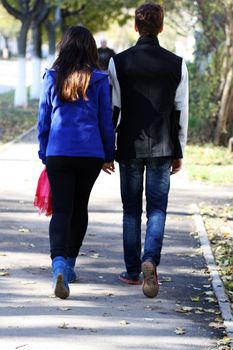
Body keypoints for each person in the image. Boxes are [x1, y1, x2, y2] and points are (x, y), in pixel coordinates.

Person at [108, 3, 189, 298]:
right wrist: (180, 149)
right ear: (162, 27)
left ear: (135, 27)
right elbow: (181, 110)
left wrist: (108, 148)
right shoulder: (177, 63)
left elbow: (113, 109)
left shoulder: (119, 62)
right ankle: (149, 260)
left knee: (131, 210)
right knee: (157, 209)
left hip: (128, 144)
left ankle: (131, 271)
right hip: (164, 144)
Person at [37, 26, 115, 299]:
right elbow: (106, 121)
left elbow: (44, 118)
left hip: (59, 151)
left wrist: (44, 151)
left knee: (61, 211)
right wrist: (108, 154)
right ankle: (68, 266)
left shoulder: (52, 76)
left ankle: (58, 265)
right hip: (90, 153)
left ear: (65, 47)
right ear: (91, 49)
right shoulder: (99, 79)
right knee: (79, 208)